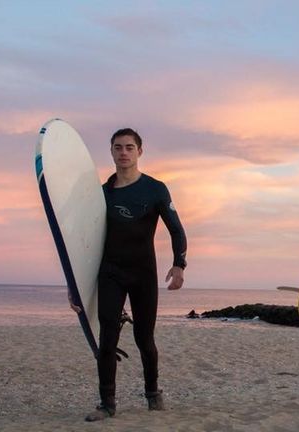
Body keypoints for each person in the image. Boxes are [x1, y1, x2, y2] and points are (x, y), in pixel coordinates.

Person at [79, 128, 188, 421]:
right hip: (111, 272)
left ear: (140, 151)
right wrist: (74, 281)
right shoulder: (101, 194)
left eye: (129, 147)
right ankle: (107, 404)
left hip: (143, 274)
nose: (123, 153)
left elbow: (176, 229)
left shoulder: (155, 189)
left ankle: (153, 393)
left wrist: (179, 264)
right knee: (107, 338)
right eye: (118, 148)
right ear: (111, 152)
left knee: (144, 339)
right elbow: (85, 241)